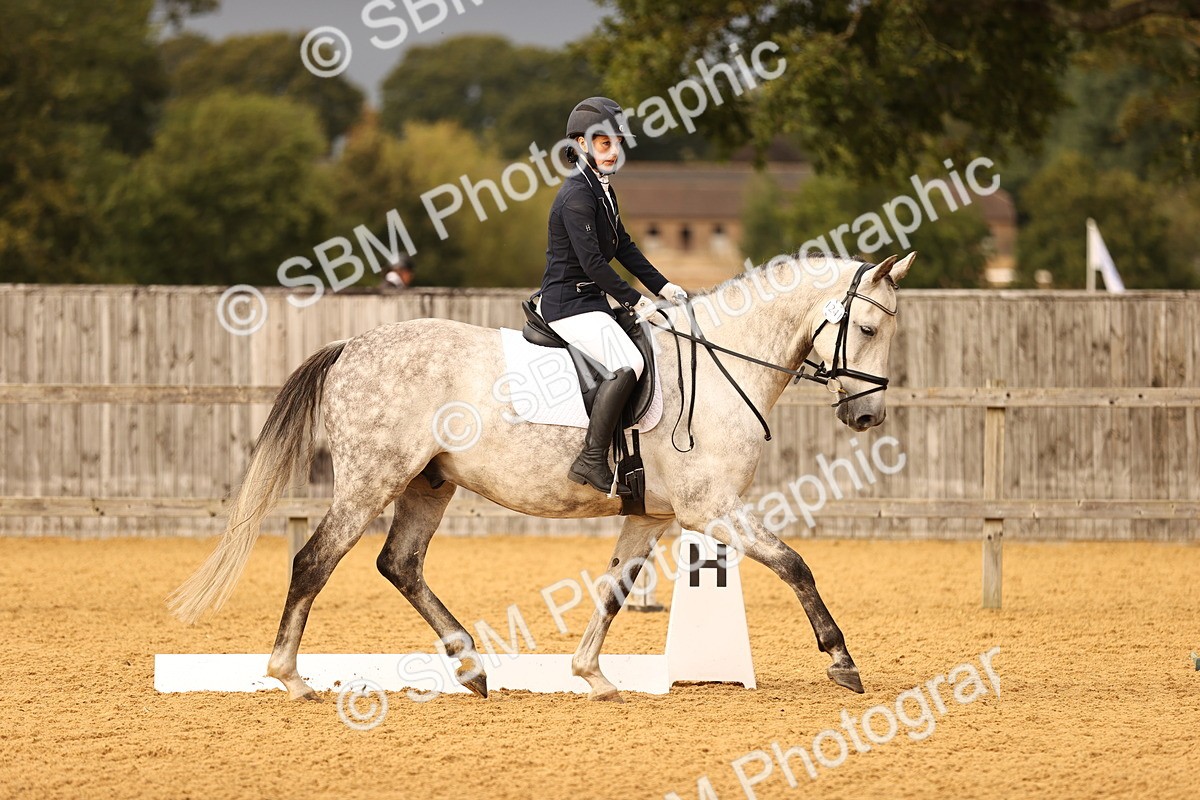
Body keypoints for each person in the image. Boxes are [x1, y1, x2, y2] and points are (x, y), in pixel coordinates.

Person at [535, 96, 688, 494]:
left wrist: (663, 286)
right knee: (627, 363)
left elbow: (622, 246)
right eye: (605, 143)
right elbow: (594, 266)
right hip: (568, 305)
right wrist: (636, 301)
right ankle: (590, 458)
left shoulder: (603, 189)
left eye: (618, 143)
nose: (614, 151)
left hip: (590, 303)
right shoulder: (576, 197)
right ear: (581, 144)